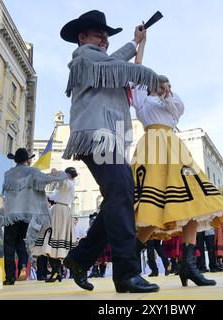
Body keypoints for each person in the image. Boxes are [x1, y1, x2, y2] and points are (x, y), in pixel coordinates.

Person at [60, 10, 160, 293]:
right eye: (98, 34)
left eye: (105, 35)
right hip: (98, 137)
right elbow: (116, 66)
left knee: (121, 196)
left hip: (110, 138)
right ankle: (126, 273)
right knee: (121, 197)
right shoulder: (84, 57)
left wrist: (134, 42)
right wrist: (149, 74)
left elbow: (114, 62)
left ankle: (80, 258)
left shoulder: (100, 59)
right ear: (82, 38)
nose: (104, 39)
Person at [131, 75, 223, 287]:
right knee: (155, 206)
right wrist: (139, 44)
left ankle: (189, 265)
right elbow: (136, 74)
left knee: (193, 201)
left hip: (174, 148)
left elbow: (178, 110)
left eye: (166, 84)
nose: (164, 87)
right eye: (159, 84)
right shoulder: (142, 99)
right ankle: (131, 255)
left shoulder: (170, 101)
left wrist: (166, 94)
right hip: (153, 147)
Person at [2, 148, 67, 285]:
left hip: (10, 214)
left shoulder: (8, 174)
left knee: (9, 244)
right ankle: (23, 266)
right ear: (27, 160)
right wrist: (60, 174)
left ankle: (9, 277)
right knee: (21, 241)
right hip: (25, 214)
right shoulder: (32, 172)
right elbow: (47, 179)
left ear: (15, 160)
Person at [32, 167, 79, 282]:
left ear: (67, 174)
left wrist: (56, 172)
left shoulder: (69, 184)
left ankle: (56, 271)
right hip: (59, 211)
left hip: (59, 212)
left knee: (53, 241)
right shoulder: (65, 185)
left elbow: (62, 182)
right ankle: (56, 271)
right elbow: (53, 195)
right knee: (53, 244)